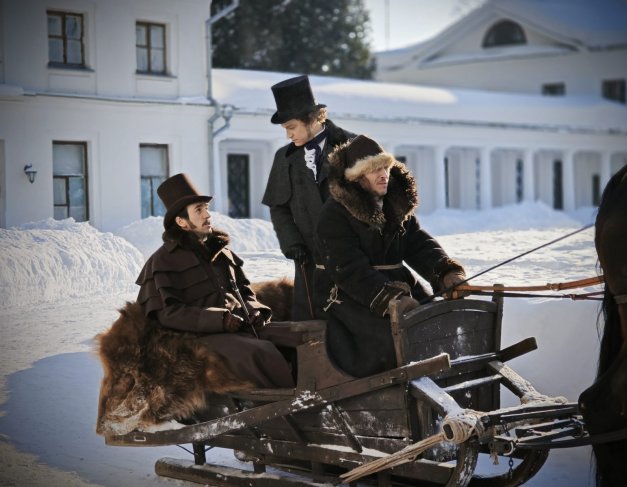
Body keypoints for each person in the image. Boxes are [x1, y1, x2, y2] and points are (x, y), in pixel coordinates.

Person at [315, 135, 468, 378]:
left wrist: (445, 272)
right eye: (374, 169)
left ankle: (443, 378)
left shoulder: (394, 205)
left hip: (400, 287)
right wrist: (388, 298)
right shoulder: (334, 214)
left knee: (436, 320)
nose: (383, 174)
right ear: (357, 176)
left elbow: (418, 244)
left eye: (385, 167)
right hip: (352, 297)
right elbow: (348, 269)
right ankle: (398, 389)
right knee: (393, 338)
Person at [136, 173, 294, 389]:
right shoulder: (162, 262)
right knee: (261, 353)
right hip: (199, 338)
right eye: (198, 210)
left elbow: (244, 290)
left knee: (297, 337)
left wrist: (254, 309)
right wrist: (219, 320)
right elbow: (169, 314)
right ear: (181, 221)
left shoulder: (221, 251)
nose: (207, 215)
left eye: (206, 208)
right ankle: (290, 404)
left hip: (241, 327)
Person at [262, 75, 355, 320]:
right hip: (309, 262)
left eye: (291, 127)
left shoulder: (352, 146)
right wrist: (292, 243)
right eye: (285, 129)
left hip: (353, 258)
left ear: (312, 119)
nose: (288, 135)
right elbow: (278, 207)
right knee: (311, 327)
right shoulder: (283, 158)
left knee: (356, 322)